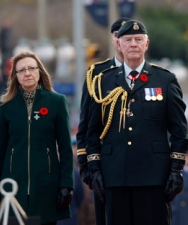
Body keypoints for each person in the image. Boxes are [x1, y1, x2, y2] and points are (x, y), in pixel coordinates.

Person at [86, 20, 188, 225]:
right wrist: (95, 168)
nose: (133, 44)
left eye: (138, 39)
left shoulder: (164, 80)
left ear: (146, 44)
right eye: (128, 40)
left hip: (153, 175)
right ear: (119, 44)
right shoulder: (103, 81)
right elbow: (92, 130)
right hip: (114, 175)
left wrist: (176, 169)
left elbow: (179, 130)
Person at [0, 51, 74, 225]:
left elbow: (65, 149)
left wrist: (67, 185)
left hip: (46, 184)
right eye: (22, 70)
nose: (27, 73)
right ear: (15, 76)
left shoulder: (56, 102)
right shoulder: (5, 105)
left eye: (31, 68)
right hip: (12, 184)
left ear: (39, 71)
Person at [76, 17, 129, 225]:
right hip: (106, 163)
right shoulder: (96, 74)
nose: (121, 41)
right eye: (118, 36)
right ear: (113, 39)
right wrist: (85, 162)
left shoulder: (152, 76)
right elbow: (86, 121)